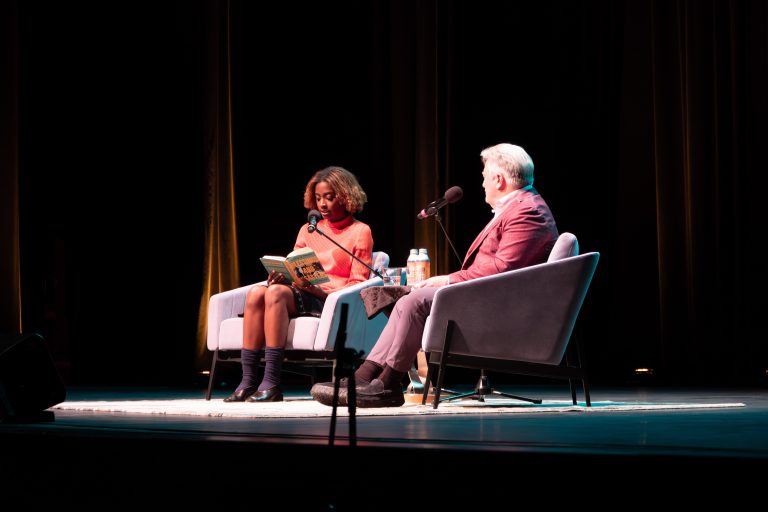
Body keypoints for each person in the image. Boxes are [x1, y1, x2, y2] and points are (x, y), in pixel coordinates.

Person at [311, 143, 558, 408]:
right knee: (407, 297)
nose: (483, 183)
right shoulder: (518, 207)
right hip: (488, 294)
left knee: (414, 301)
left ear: (499, 180)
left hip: (501, 305)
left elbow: (502, 269)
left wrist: (448, 280)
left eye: (484, 176)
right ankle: (366, 376)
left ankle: (388, 383)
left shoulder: (528, 211)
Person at [224, 166, 374, 403]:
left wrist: (319, 290)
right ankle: (248, 380)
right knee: (255, 293)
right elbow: (296, 263)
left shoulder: (360, 231)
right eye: (318, 198)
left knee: (274, 295)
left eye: (329, 197)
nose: (322, 204)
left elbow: (358, 283)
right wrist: (284, 275)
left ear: (346, 196)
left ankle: (271, 382)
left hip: (329, 299)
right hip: (302, 291)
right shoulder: (308, 229)